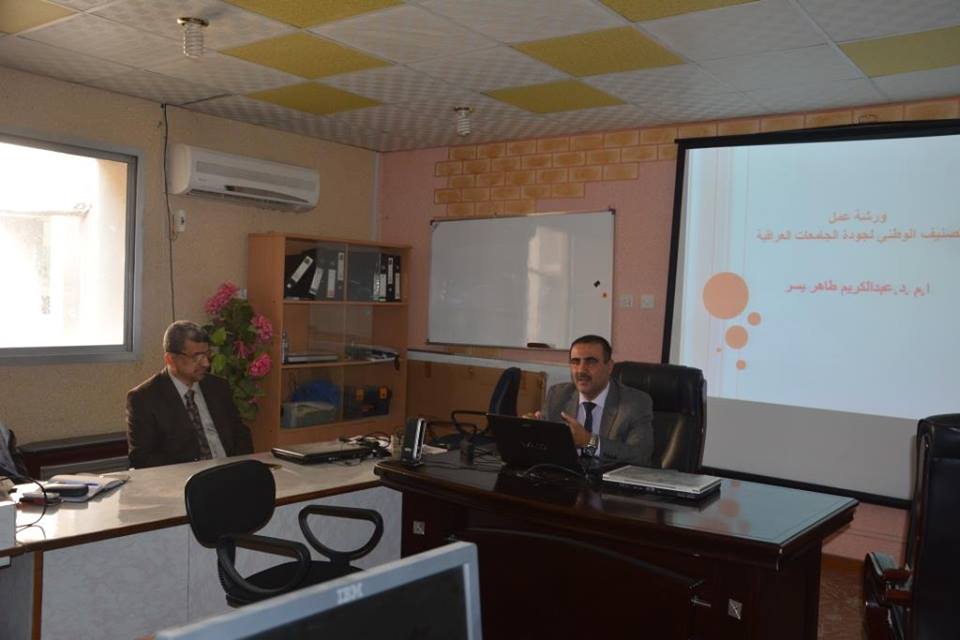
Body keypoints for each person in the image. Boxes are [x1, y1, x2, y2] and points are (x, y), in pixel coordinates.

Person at [126, 321, 253, 468]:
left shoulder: (218, 387)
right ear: (170, 359)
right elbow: (142, 458)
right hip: (181, 477)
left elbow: (241, 434)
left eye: (207, 355)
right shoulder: (144, 398)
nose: (206, 363)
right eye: (197, 357)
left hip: (229, 472)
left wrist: (240, 468)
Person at [540, 335, 653, 466]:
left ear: (609, 367)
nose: (581, 370)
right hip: (566, 475)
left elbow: (640, 455)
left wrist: (589, 442)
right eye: (575, 362)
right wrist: (533, 431)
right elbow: (546, 449)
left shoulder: (635, 403)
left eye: (591, 362)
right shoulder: (557, 395)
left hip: (606, 477)